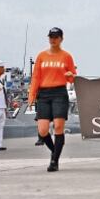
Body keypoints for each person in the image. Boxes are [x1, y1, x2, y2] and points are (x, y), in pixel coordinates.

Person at [28, 27, 77, 172]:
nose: (53, 39)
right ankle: (55, 151)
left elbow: (73, 75)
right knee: (42, 130)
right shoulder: (41, 56)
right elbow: (36, 76)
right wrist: (32, 95)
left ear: (61, 39)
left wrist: (69, 74)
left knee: (58, 127)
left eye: (56, 37)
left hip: (59, 92)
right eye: (51, 37)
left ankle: (54, 160)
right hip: (43, 93)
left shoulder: (66, 56)